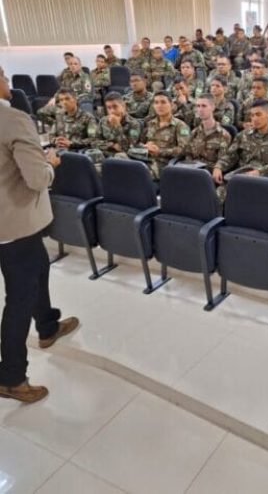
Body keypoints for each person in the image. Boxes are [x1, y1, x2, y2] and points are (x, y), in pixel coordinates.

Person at [0, 73, 79, 403]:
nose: (7, 80)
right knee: (19, 297)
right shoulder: (13, 119)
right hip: (15, 224)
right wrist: (50, 164)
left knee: (39, 269)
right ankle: (12, 376)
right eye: (3, 75)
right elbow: (35, 179)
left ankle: (47, 326)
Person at [212, 99, 268, 197]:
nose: (254, 119)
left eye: (258, 114)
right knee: (218, 195)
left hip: (264, 179)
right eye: (252, 115)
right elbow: (230, 155)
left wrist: (260, 172)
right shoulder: (243, 135)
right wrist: (218, 167)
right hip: (242, 176)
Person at [140, 91, 191, 179]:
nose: (159, 106)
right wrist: (145, 146)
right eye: (156, 103)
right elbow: (139, 143)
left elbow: (184, 150)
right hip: (146, 159)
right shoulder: (150, 123)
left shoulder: (180, 126)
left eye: (163, 102)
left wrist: (160, 151)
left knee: (141, 174)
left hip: (165, 164)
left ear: (171, 105)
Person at [184, 94, 232, 171]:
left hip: (209, 174)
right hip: (192, 172)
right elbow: (188, 155)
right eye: (198, 106)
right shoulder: (194, 133)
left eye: (204, 106)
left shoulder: (223, 135)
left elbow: (222, 161)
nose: (200, 110)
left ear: (213, 107)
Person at [93, 92, 141, 159]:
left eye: (115, 106)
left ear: (123, 106)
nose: (112, 111)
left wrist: (117, 126)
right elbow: (94, 142)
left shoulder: (134, 124)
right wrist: (112, 145)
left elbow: (127, 148)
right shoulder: (103, 121)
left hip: (123, 158)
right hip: (104, 155)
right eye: (109, 108)